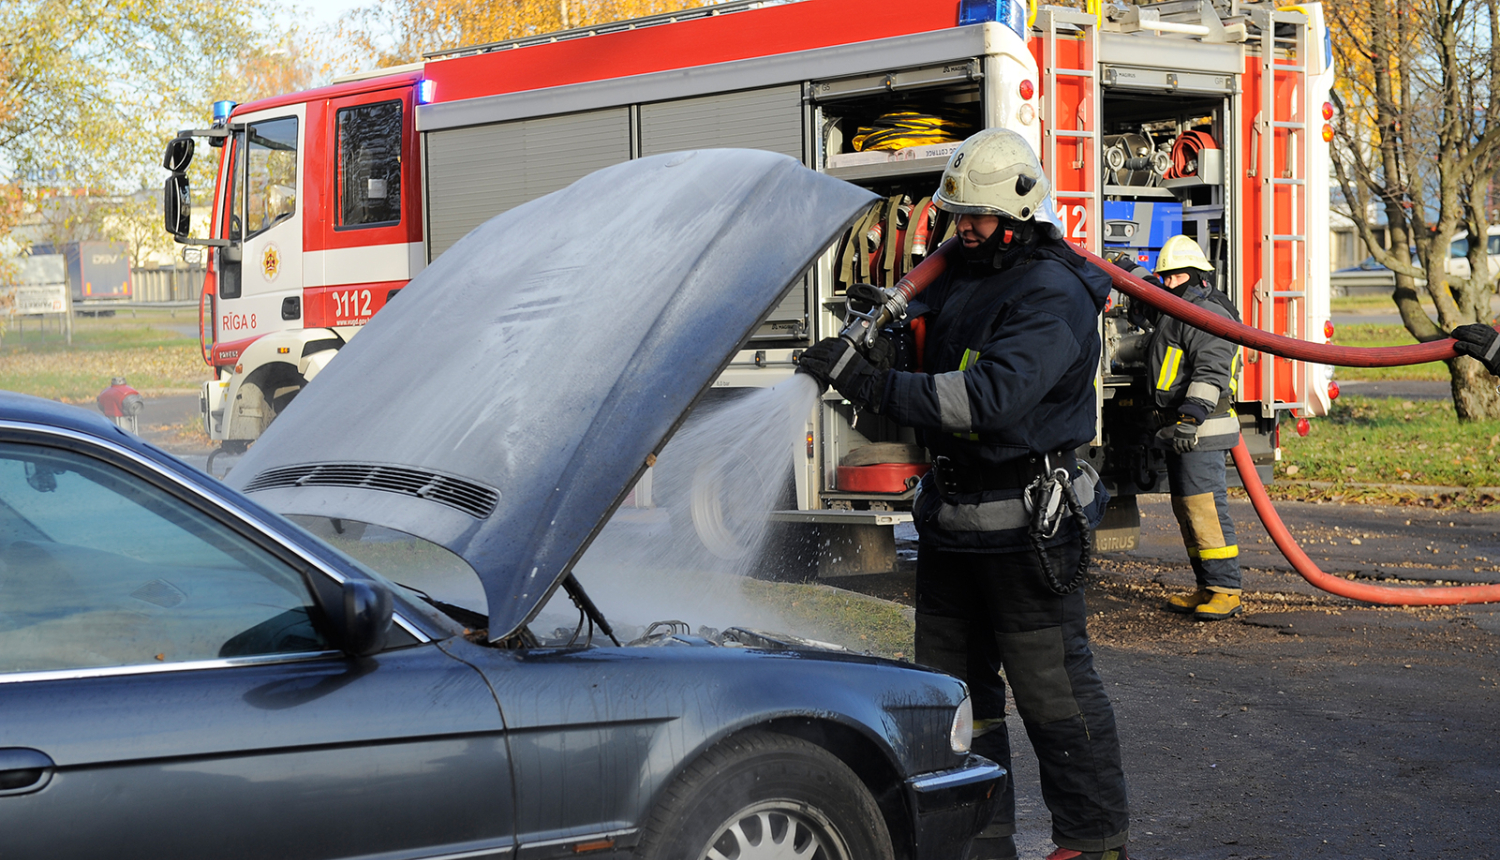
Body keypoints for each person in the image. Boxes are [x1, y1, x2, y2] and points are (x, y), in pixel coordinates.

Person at [798, 129, 1129, 860]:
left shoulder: (1054, 290)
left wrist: (874, 381)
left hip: (1025, 532)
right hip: (951, 524)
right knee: (953, 700)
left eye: (976, 215)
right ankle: (979, 839)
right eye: (956, 214)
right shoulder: (958, 274)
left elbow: (991, 398)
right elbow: (928, 358)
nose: (964, 227)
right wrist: (881, 346)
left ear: (1020, 208)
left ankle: (1093, 841)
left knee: (1053, 694)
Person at [1114, 235, 1245, 621]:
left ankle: (1226, 588)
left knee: (1205, 508)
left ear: (1194, 276)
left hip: (1201, 426)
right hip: (1182, 428)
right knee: (1188, 508)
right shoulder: (1182, 307)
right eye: (1165, 277)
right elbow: (1154, 297)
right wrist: (1123, 268)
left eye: (1173, 277)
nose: (1167, 283)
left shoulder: (1208, 315)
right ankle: (1207, 585)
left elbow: (1211, 372)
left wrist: (1191, 417)